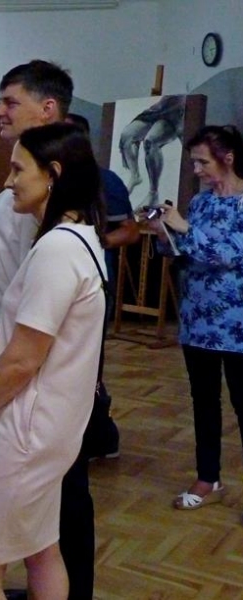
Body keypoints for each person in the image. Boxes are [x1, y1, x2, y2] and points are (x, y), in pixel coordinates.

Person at [0, 123, 107, 599]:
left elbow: (23, 358)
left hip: (29, 431)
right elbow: (13, 343)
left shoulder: (58, 248)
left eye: (18, 170)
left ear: (52, 174)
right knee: (42, 550)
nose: (8, 181)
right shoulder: (77, 238)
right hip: (51, 425)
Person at [148, 125, 243, 516]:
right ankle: (208, 477)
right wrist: (164, 235)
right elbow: (187, 252)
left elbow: (230, 255)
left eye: (203, 162)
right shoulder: (202, 203)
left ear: (228, 158)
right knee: (204, 403)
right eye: (194, 163)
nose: (197, 170)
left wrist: (184, 228)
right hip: (197, 322)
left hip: (236, 327)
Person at [66, 112, 141, 460]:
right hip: (60, 281)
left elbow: (130, 230)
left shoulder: (105, 181)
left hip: (93, 284)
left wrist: (97, 243)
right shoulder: (48, 178)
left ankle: (100, 435)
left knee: (87, 364)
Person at [119, 95, 186, 207]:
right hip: (160, 107)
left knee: (150, 141)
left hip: (175, 111)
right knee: (126, 134)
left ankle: (153, 192)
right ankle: (135, 175)